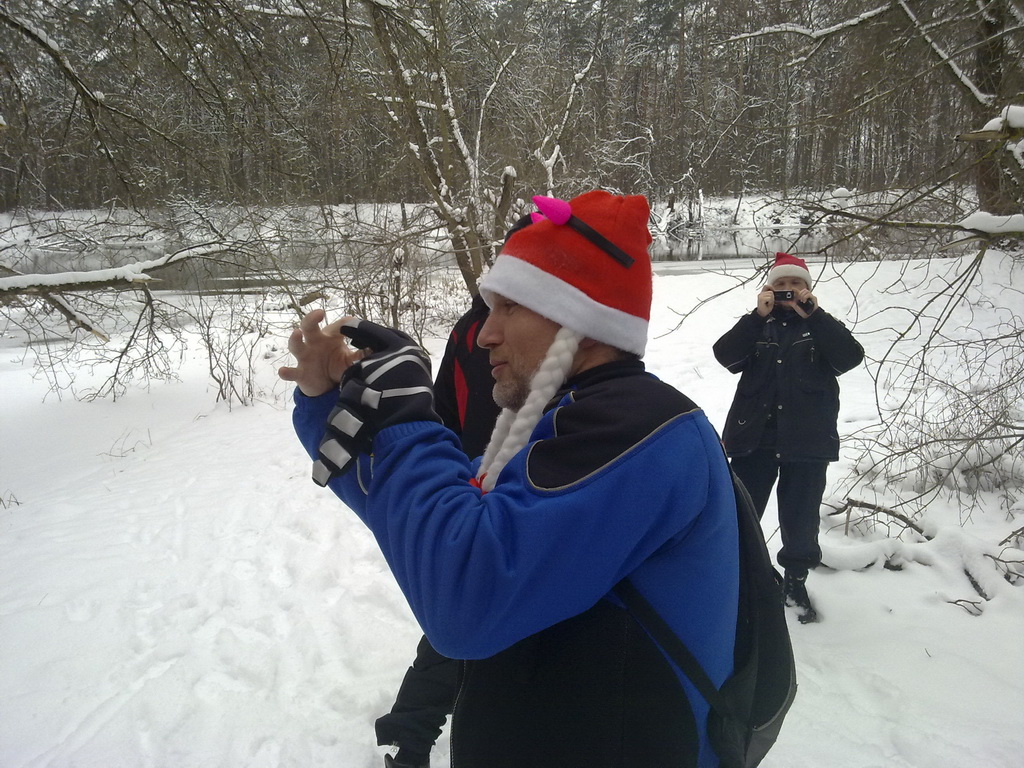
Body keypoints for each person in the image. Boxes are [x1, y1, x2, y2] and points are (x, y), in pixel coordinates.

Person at [280, 190, 739, 767]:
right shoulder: (566, 423)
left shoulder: (639, 431)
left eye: (510, 308)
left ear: (579, 318)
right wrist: (328, 402)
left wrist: (406, 419)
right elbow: (431, 526)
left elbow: (464, 602)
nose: (483, 335)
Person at [375, 292, 501, 768]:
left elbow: (444, 409)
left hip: (490, 485)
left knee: (467, 616)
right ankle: (409, 740)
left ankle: (408, 738)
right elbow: (448, 409)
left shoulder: (475, 325)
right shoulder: (478, 330)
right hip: (492, 488)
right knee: (466, 617)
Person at [712, 252, 864, 623]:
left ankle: (795, 582)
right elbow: (725, 356)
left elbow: (849, 357)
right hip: (754, 439)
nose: (788, 290)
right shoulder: (757, 326)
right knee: (740, 515)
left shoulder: (820, 326)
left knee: (801, 520)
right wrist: (755, 316)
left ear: (807, 289)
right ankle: (739, 580)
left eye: (796, 284)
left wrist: (816, 316)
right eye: (780, 284)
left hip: (807, 441)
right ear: (769, 288)